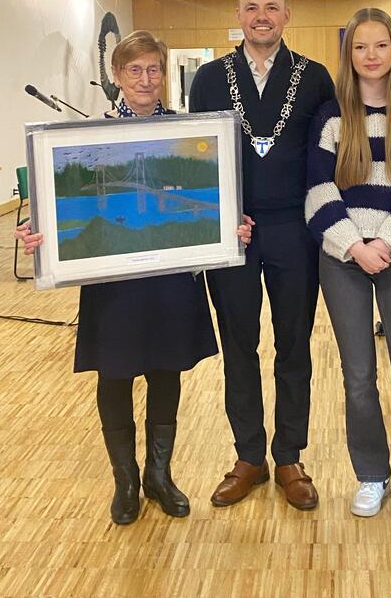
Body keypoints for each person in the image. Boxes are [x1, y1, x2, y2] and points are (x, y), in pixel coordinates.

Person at [16, 30, 252, 525]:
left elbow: (211, 203)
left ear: (164, 75)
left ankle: (158, 475)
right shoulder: (86, 139)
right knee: (116, 373)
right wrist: (40, 234)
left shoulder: (193, 136)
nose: (145, 79)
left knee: (167, 369)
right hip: (113, 284)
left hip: (170, 282)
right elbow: (61, 212)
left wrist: (230, 227)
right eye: (134, 70)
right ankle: (124, 480)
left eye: (154, 69)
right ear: (118, 77)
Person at [189, 0, 334, 510]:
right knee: (240, 347)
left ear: (287, 15)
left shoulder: (315, 78)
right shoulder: (207, 79)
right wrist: (217, 218)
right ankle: (248, 455)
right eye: (252, 8)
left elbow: (329, 159)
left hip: (296, 230)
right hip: (234, 233)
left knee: (294, 346)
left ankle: (290, 456)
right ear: (239, 14)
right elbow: (200, 159)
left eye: (272, 7)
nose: (262, 16)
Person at [306, 8, 391, 541]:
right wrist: (355, 246)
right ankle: (371, 474)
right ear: (349, 55)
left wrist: (386, 242)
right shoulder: (331, 117)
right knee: (358, 376)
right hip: (343, 258)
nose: (370, 55)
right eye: (360, 46)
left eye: (380, 45)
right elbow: (317, 192)